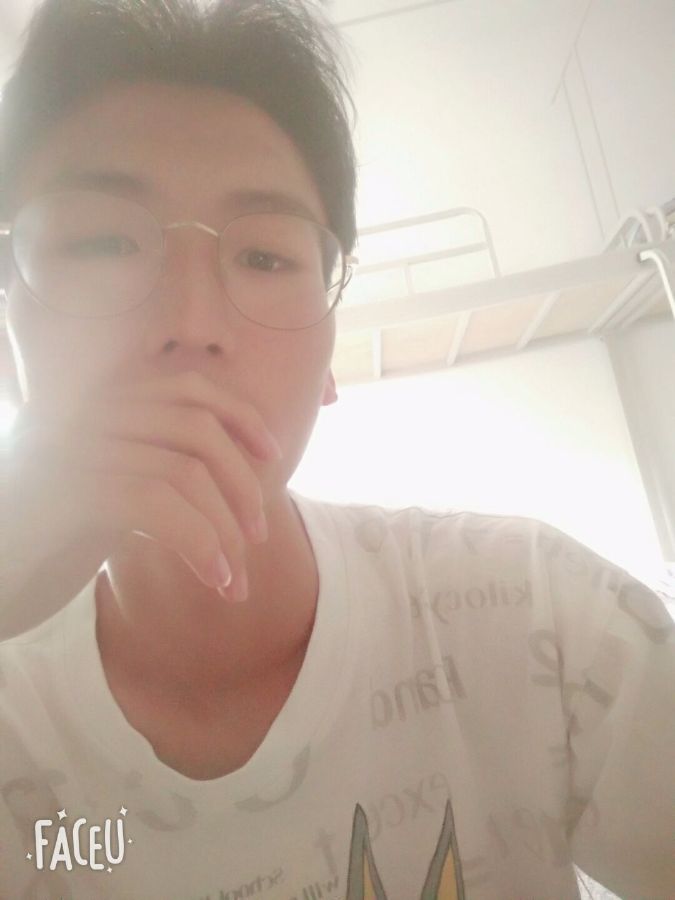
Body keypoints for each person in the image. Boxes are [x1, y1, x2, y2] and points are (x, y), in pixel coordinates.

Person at [0, 1, 673, 898]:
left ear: (326, 354)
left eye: (265, 258)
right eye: (103, 242)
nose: (191, 324)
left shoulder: (537, 612)